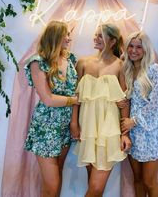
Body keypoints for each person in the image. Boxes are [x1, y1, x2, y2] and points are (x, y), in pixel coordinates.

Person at [70, 23, 131, 197]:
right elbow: (76, 98)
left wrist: (124, 134)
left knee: (96, 187)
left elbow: (123, 101)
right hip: (87, 128)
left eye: (100, 36)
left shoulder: (120, 65)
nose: (95, 39)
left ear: (112, 41)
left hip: (109, 130)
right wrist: (74, 123)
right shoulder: (82, 63)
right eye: (95, 35)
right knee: (93, 184)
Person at [24, 20, 79, 197]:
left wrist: (73, 121)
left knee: (58, 175)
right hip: (46, 126)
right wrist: (74, 101)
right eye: (66, 34)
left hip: (64, 126)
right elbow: (48, 99)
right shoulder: (38, 62)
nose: (69, 38)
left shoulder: (70, 59)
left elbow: (74, 89)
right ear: (55, 36)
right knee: (51, 183)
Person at [120, 31, 158, 197]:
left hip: (151, 133)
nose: (134, 50)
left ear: (146, 49)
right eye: (131, 46)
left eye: (139, 47)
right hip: (134, 134)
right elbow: (127, 100)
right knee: (138, 180)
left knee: (150, 181)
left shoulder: (154, 69)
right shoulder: (127, 70)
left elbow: (156, 104)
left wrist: (133, 121)